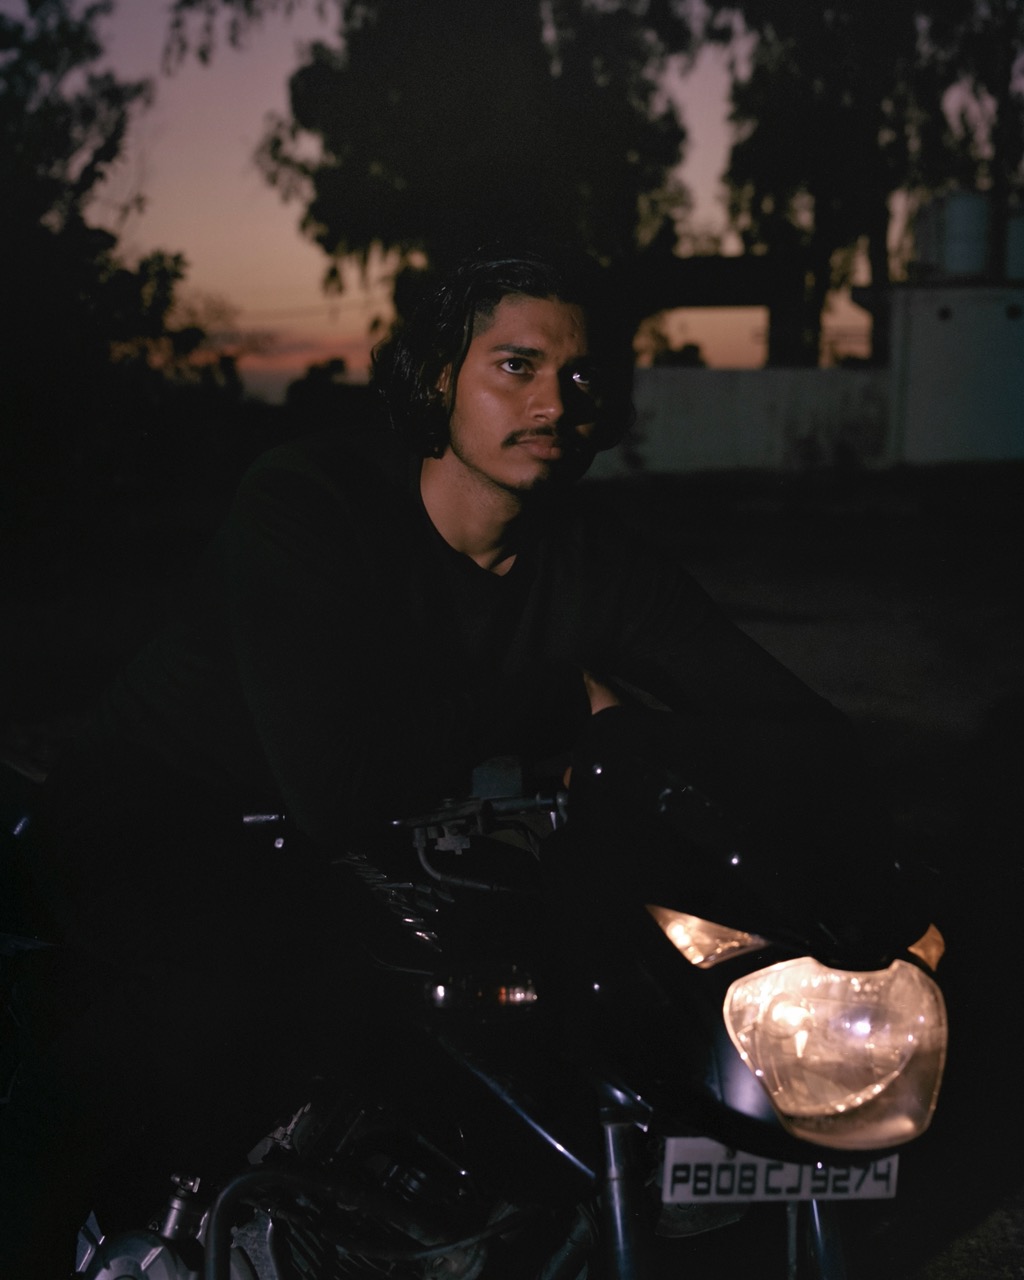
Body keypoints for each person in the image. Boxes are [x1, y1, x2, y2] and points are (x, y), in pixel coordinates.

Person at [0, 246, 872, 1273]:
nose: (552, 398)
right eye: (515, 365)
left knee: (572, 1002)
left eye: (580, 376)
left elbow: (784, 718)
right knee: (205, 1017)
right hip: (160, 808)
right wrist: (556, 703)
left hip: (391, 834)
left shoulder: (590, 557)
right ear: (435, 382)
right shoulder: (311, 503)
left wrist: (827, 828)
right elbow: (339, 783)